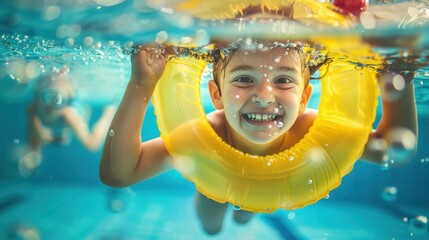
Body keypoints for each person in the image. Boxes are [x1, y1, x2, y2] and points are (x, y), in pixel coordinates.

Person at [99, 38, 418, 234]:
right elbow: (119, 174)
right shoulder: (204, 135)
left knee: (246, 212)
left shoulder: (315, 130)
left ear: (305, 96)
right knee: (211, 227)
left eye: (282, 80)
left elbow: (389, 150)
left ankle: (243, 215)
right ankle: (225, 217)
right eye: (244, 79)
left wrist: (399, 81)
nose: (264, 96)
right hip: (215, 186)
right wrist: (141, 84)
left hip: (268, 187)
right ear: (217, 95)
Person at [21, 67, 116, 176]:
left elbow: (92, 143)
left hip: (80, 113)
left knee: (92, 145)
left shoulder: (68, 114)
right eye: (47, 97)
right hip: (58, 125)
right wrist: (35, 155)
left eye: (57, 99)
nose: (51, 105)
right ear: (37, 96)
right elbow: (34, 139)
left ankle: (109, 112)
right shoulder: (33, 108)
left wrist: (107, 115)